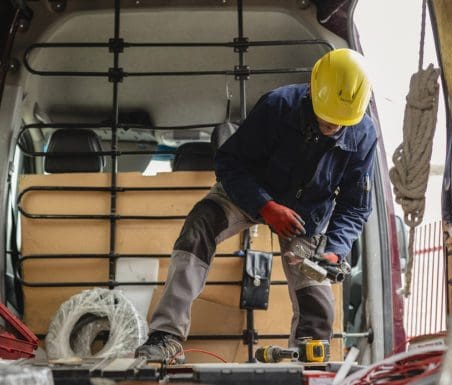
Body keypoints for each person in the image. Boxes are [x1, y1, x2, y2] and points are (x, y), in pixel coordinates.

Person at [135, 48, 376, 363]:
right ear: (314, 90)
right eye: (326, 117)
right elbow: (230, 163)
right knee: (201, 223)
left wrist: (335, 250)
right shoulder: (278, 105)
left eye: (341, 122)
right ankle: (165, 336)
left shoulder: (363, 135)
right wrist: (265, 206)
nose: (332, 125)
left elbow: (355, 205)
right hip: (250, 192)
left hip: (307, 216)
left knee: (316, 294)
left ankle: (309, 362)